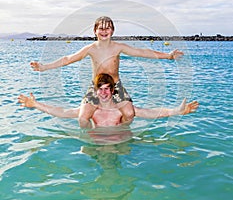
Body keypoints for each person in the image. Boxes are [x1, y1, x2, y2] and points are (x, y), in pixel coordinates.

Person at [30, 16, 184, 128]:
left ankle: (121, 133)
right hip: (97, 87)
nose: (104, 31)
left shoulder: (118, 47)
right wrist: (44, 67)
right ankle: (92, 138)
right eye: (101, 28)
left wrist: (168, 56)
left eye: (107, 28)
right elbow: (67, 59)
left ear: (113, 31)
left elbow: (142, 52)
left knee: (130, 114)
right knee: (83, 117)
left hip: (115, 86)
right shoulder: (90, 48)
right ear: (95, 31)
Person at [18, 73, 198, 128]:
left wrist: (177, 111)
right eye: (100, 89)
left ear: (112, 91)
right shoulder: (91, 110)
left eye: (107, 89)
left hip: (122, 145)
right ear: (95, 91)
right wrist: (35, 104)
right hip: (95, 146)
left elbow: (152, 113)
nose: (103, 93)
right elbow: (63, 112)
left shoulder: (121, 109)